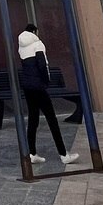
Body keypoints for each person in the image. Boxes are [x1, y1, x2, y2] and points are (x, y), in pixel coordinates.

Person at [18, 23, 79, 167]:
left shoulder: (21, 47)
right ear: (35, 31)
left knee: (33, 119)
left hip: (28, 86)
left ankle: (32, 153)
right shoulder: (38, 44)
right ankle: (63, 154)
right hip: (39, 86)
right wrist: (46, 81)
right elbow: (42, 65)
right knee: (52, 119)